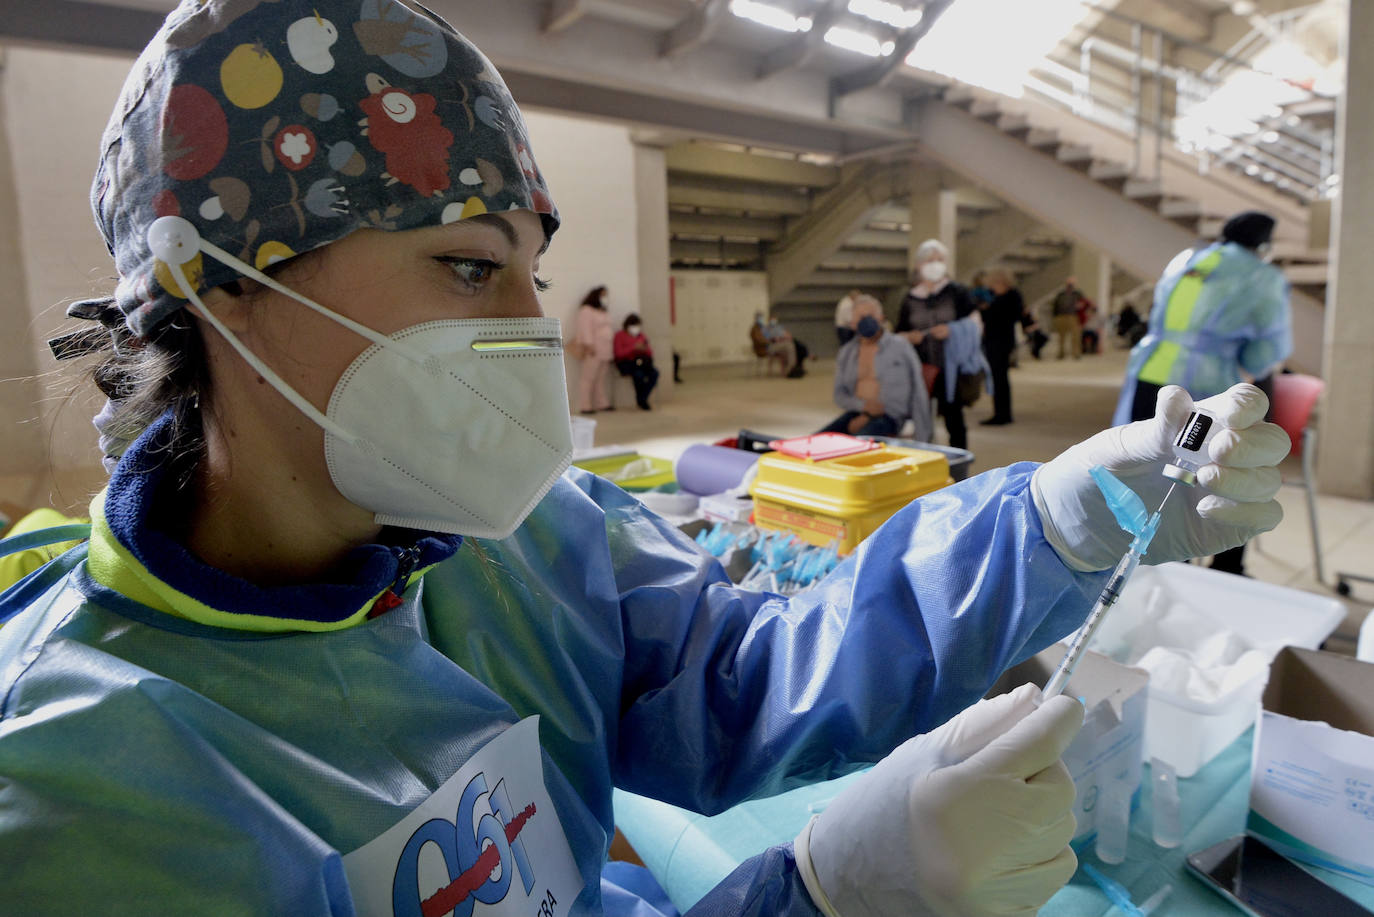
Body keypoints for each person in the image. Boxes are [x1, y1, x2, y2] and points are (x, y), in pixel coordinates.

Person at [0, 3, 1290, 915]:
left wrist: (1056, 518)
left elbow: (741, 676)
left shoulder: (524, 544)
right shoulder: (79, 789)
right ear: (215, 285)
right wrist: (815, 893)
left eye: (530, 274)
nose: (524, 332)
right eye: (465, 265)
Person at [1114, 210, 1293, 577]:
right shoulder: (1262, 276)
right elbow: (1267, 349)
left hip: (1153, 376)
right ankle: (1223, 566)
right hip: (1211, 384)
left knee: (1154, 471)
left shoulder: (1188, 260)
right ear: (1263, 244)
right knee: (1220, 476)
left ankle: (1160, 558)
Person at [896, 239, 978, 449]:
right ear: (918, 265)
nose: (935, 264)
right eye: (930, 260)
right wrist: (909, 336)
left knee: (954, 418)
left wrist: (952, 330)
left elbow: (974, 322)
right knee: (919, 416)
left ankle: (960, 464)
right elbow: (899, 331)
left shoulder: (957, 292)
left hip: (950, 368)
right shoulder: (910, 298)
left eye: (939, 259)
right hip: (920, 367)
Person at [819, 295, 932, 440]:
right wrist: (863, 409)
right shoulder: (846, 352)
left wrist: (923, 436)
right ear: (852, 323)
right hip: (857, 411)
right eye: (861, 317)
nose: (866, 321)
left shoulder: (901, 347)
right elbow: (839, 394)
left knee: (857, 447)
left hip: (890, 417)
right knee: (814, 443)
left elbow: (918, 391)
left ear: (881, 318)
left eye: (871, 316)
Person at [980, 270, 1036, 426]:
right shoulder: (997, 296)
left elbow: (1009, 315)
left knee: (1000, 379)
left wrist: (988, 310)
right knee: (998, 378)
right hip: (994, 341)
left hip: (1001, 342)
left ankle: (1002, 414)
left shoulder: (1011, 296)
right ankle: (1001, 412)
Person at [575, 286, 615, 413]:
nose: (605, 298)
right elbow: (585, 329)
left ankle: (602, 403)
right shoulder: (586, 310)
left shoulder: (603, 311)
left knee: (600, 379)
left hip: (606, 350)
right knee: (588, 378)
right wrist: (589, 345)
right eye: (602, 295)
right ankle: (585, 406)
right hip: (593, 350)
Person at [613, 313, 659, 410]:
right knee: (639, 375)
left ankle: (642, 398)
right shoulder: (619, 335)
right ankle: (642, 400)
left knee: (654, 373)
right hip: (627, 363)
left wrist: (644, 349)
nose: (636, 328)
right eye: (633, 325)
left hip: (641, 363)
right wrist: (633, 348)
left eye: (637, 325)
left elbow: (650, 352)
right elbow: (618, 354)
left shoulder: (641, 336)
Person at [1050, 277, 1085, 360]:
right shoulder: (1060, 294)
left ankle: (1076, 354)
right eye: (1069, 283)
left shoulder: (1078, 294)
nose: (1070, 285)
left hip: (1073, 317)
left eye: (1072, 284)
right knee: (1061, 337)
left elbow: (1084, 303)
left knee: (1075, 337)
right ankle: (1061, 353)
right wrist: (1055, 317)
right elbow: (1055, 306)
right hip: (1061, 316)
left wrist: (1080, 308)